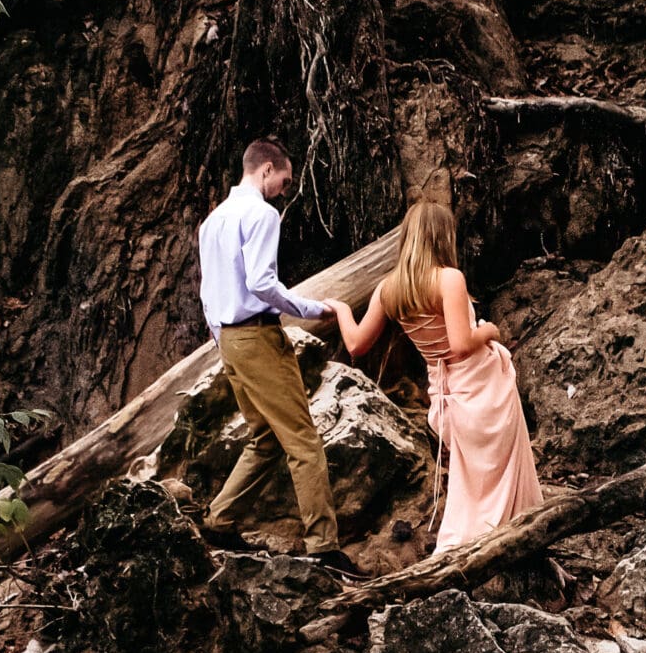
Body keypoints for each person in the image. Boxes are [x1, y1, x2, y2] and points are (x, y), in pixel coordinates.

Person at [328, 200, 541, 553]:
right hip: (482, 387)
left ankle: (468, 544)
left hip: (446, 393)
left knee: (470, 479)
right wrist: (489, 330)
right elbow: (460, 344)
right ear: (442, 237)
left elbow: (355, 344)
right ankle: (508, 539)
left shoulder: (388, 290)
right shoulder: (448, 279)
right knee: (500, 472)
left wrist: (340, 309)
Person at [197, 139, 356, 573]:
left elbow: (207, 293)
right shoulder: (262, 214)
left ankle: (220, 518)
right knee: (302, 440)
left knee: (265, 437)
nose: (284, 190)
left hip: (229, 340)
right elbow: (262, 282)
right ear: (267, 169)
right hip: (257, 337)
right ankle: (324, 547)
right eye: (284, 181)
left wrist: (222, 342)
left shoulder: (211, 223)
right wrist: (313, 308)